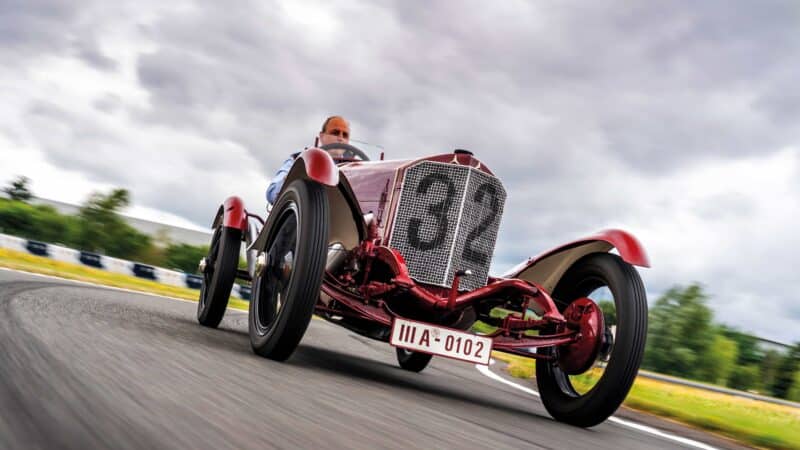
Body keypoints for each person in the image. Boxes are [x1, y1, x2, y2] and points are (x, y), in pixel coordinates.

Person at [266, 116, 351, 205]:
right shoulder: (300, 160)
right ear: (322, 136)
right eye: (335, 133)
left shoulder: (353, 168)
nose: (340, 138)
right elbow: (272, 192)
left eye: (345, 135)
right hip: (304, 213)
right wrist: (289, 179)